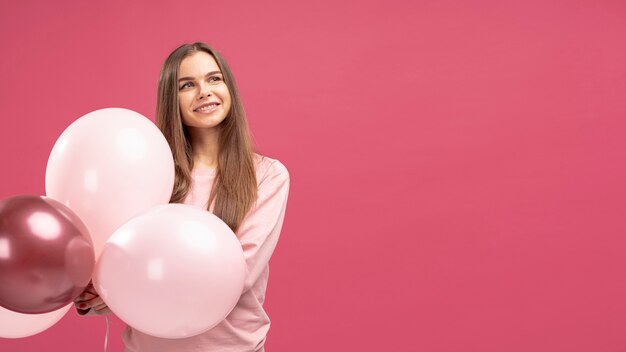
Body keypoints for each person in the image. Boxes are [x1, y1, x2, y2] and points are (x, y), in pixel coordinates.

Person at [74, 42, 290, 352]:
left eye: (214, 79)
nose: (204, 91)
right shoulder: (149, 171)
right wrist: (99, 293)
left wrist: (134, 284)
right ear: (170, 99)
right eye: (187, 85)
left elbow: (237, 275)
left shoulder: (267, 176)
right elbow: (122, 261)